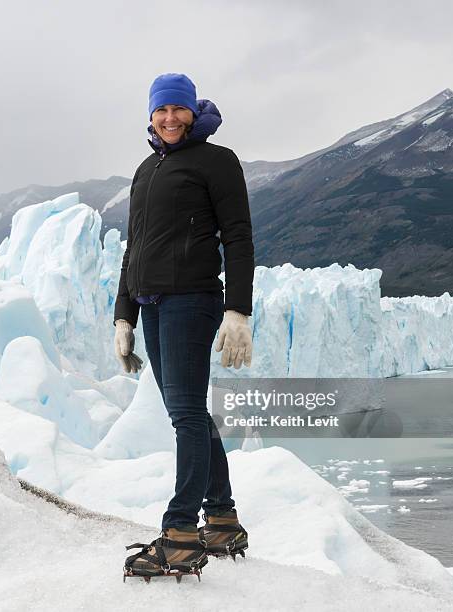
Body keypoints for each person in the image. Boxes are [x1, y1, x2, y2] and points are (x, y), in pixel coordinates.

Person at [114, 73, 254, 581]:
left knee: (187, 416)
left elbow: (238, 236)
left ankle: (179, 534)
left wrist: (238, 309)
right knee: (188, 412)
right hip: (153, 303)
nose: (170, 118)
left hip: (192, 300)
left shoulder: (217, 161)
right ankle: (220, 518)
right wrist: (123, 315)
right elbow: (135, 247)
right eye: (161, 111)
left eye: (178, 109)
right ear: (150, 116)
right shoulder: (146, 169)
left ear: (193, 112)